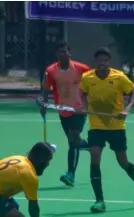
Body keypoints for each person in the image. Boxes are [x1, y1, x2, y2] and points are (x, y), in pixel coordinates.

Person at [80, 47, 134, 213]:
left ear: (109, 62)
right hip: (96, 125)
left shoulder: (119, 77)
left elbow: (133, 94)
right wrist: (83, 106)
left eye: (105, 61)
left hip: (116, 126)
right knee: (94, 155)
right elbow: (82, 94)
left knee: (122, 161)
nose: (102, 63)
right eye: (99, 61)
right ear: (96, 62)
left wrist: (127, 110)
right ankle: (99, 201)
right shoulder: (87, 77)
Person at [41, 41, 91, 187]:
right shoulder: (50, 71)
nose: (63, 54)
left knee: (73, 138)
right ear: (56, 54)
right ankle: (87, 145)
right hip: (63, 110)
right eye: (60, 52)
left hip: (79, 109)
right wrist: (43, 104)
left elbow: (92, 84)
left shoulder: (82, 69)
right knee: (73, 142)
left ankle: (70, 174)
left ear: (70, 53)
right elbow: (46, 89)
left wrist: (89, 103)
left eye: (65, 51)